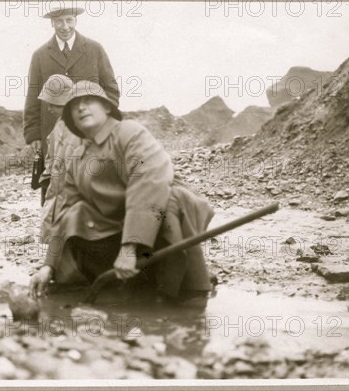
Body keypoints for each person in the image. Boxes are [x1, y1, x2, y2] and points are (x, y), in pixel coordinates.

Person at [29, 81, 215, 307]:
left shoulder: (130, 133)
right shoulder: (78, 157)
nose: (81, 108)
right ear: (70, 119)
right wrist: (48, 265)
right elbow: (65, 211)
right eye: (74, 106)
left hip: (159, 215)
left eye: (88, 101)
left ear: (107, 108)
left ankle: (188, 289)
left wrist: (129, 247)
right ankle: (126, 284)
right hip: (118, 225)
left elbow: (148, 184)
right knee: (75, 213)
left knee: (170, 200)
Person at [23, 5, 120, 204]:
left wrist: (101, 122)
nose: (64, 26)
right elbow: (33, 96)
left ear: (76, 20)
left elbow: (111, 90)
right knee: (52, 187)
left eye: (69, 20)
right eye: (59, 21)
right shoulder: (39, 55)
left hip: (88, 134)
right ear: (52, 22)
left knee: (90, 185)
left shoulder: (95, 49)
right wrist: (33, 134)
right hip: (52, 135)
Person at [37, 74, 82, 238]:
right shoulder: (61, 123)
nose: (49, 108)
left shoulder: (76, 127)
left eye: (53, 104)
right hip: (57, 185)